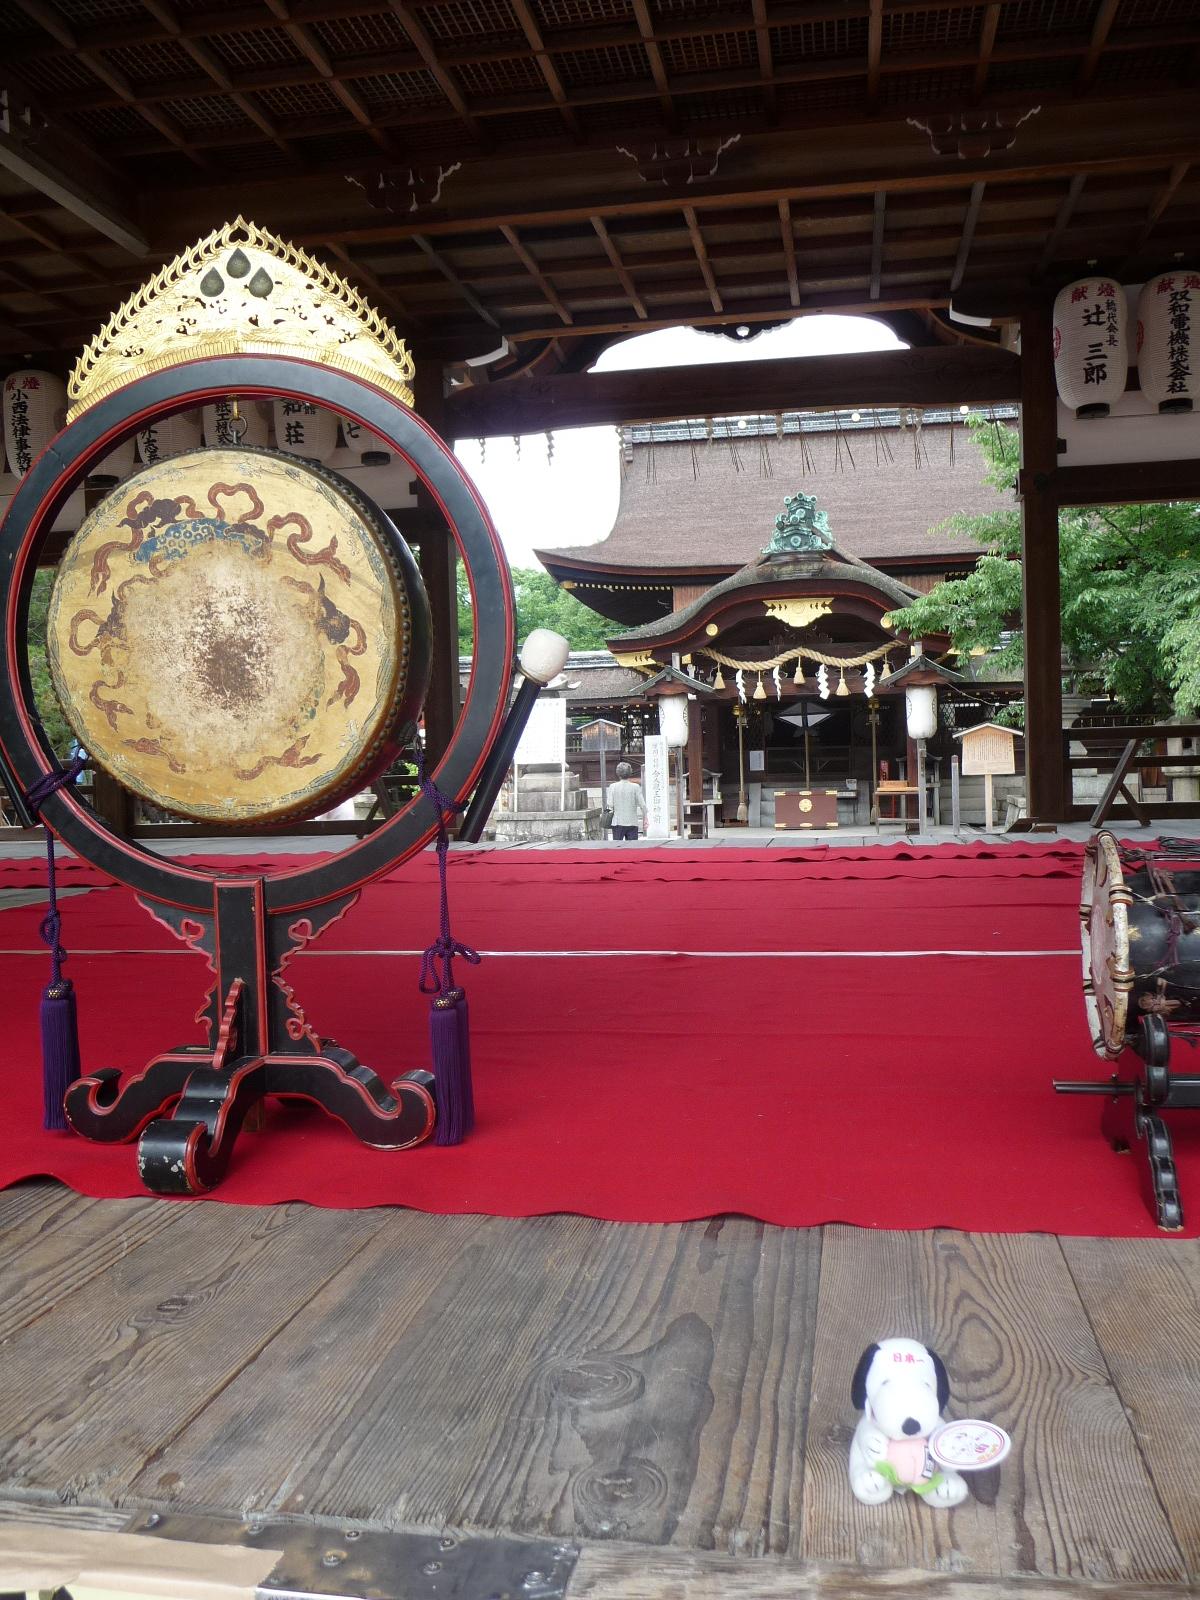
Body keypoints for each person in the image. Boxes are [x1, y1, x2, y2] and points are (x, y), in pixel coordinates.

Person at [606, 761, 646, 841]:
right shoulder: (635, 787)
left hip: (617, 822)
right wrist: (645, 818)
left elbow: (610, 805)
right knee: (632, 847)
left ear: (618, 773)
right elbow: (642, 805)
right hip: (632, 821)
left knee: (617, 846)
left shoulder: (613, 787)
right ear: (630, 773)